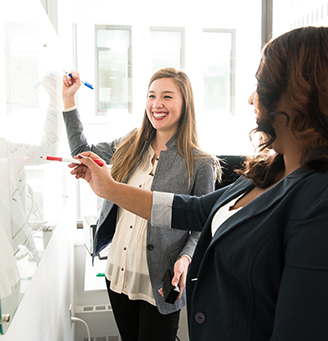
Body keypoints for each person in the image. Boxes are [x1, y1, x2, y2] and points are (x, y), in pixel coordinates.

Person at [69, 26, 328, 341]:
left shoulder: (318, 201)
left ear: (302, 94)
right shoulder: (267, 172)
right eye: (151, 95)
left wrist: (185, 257)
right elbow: (193, 210)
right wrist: (108, 188)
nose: (250, 98)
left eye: (261, 84)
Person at [62, 67, 219, 340]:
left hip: (160, 280)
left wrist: (186, 258)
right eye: (151, 95)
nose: (157, 104)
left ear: (185, 104)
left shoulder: (200, 163)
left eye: (167, 96)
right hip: (119, 272)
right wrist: (69, 101)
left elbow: (202, 224)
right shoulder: (131, 143)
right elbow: (80, 153)